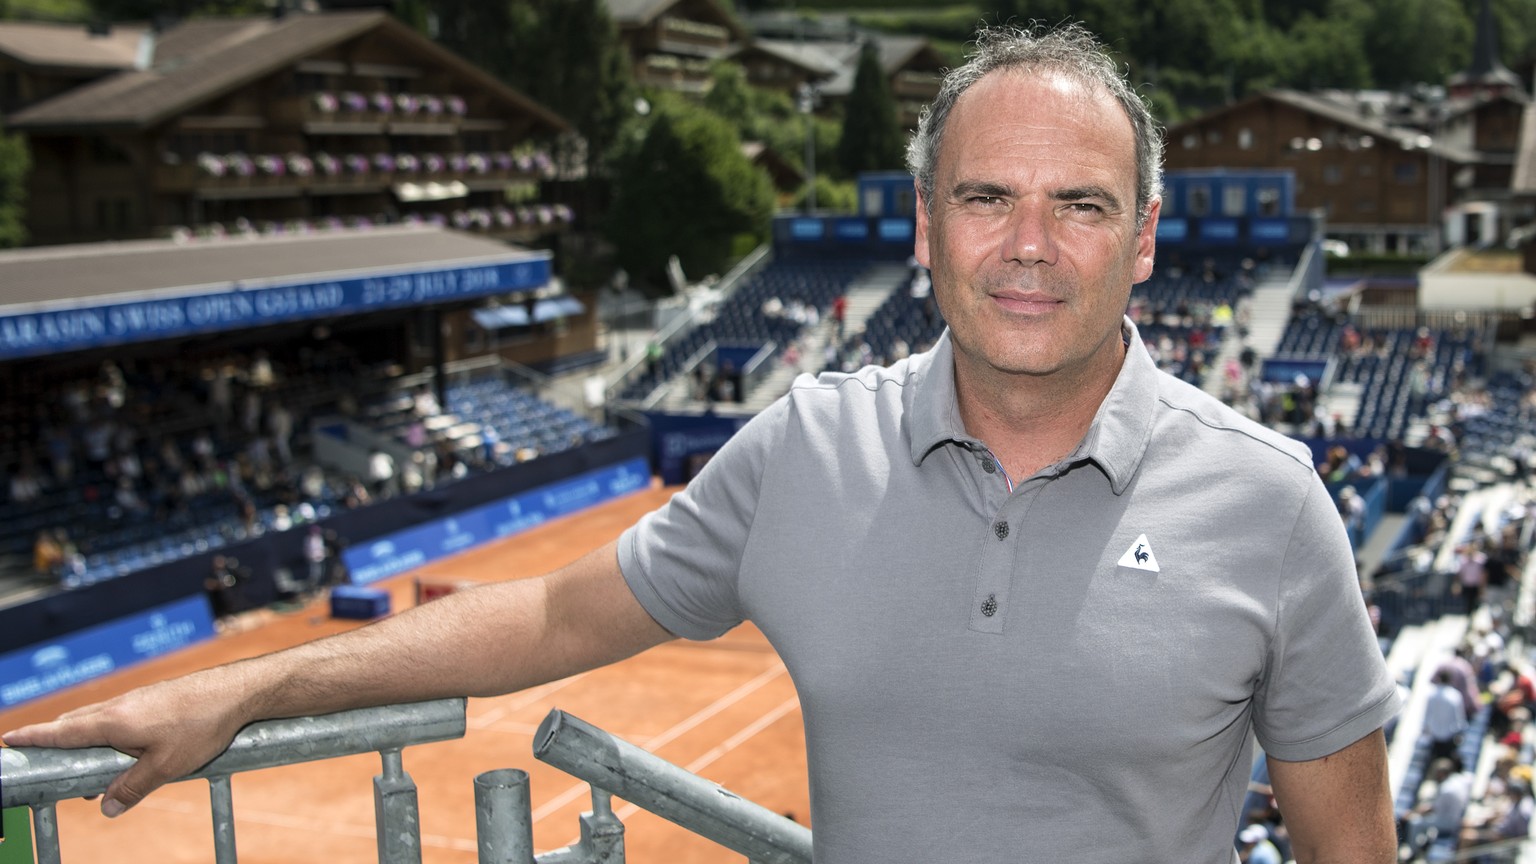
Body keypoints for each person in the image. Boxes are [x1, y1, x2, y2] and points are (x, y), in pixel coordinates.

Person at [0, 23, 1399, 863]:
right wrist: (243, 693)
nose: (1030, 248)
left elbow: (1352, 849)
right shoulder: (806, 447)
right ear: (922, 230)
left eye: (1083, 207)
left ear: (1146, 241)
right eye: (986, 198)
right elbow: (550, 612)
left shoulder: (1272, 508)